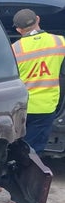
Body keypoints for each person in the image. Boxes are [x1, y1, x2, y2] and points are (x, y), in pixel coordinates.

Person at [11, 8, 65, 154]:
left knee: (15, 148)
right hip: (45, 107)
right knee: (33, 153)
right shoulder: (60, 42)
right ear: (38, 19)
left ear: (18, 29)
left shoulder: (14, 49)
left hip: (20, 107)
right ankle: (28, 175)